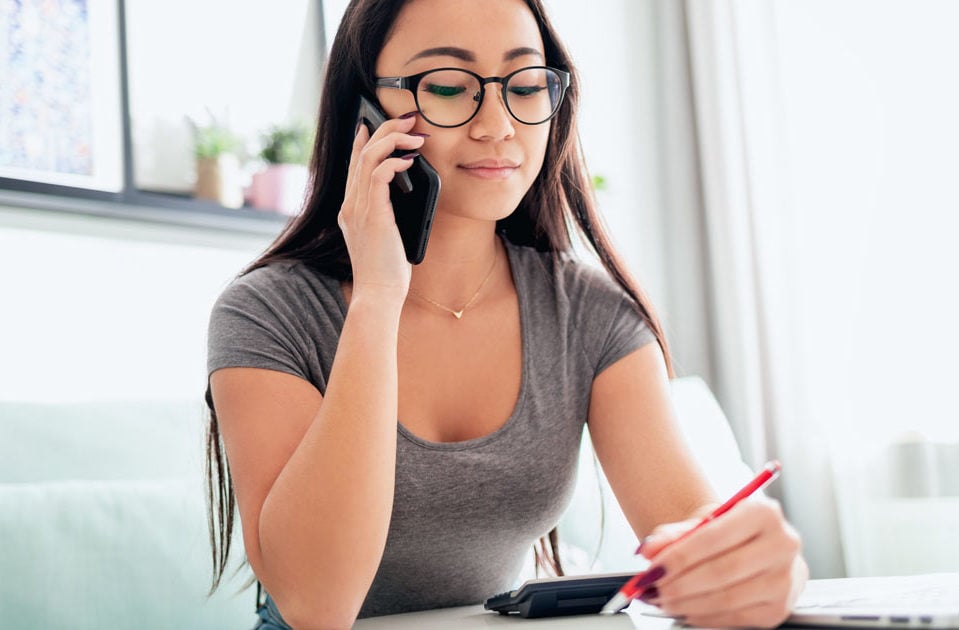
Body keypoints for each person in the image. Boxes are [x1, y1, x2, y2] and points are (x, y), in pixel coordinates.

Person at [205, 0, 808, 627]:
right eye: (446, 86)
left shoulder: (593, 318)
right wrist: (379, 299)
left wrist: (752, 570)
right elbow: (315, 605)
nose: (498, 126)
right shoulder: (266, 314)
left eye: (524, 85)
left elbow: (692, 537)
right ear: (366, 111)